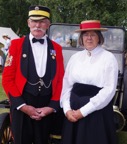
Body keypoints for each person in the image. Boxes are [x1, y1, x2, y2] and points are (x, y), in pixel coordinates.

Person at [2, 5, 64, 144]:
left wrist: (51, 106)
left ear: (48, 24)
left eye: (42, 21)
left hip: (46, 107)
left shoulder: (57, 48)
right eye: (34, 21)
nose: (37, 25)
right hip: (22, 105)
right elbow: (7, 79)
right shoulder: (16, 45)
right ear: (28, 23)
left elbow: (60, 79)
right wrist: (22, 106)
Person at [60, 20, 118, 144]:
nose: (89, 38)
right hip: (73, 110)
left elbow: (109, 90)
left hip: (96, 111)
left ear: (99, 38)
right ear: (81, 38)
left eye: (93, 35)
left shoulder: (108, 58)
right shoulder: (75, 58)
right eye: (86, 35)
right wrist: (67, 109)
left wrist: (83, 111)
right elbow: (66, 85)